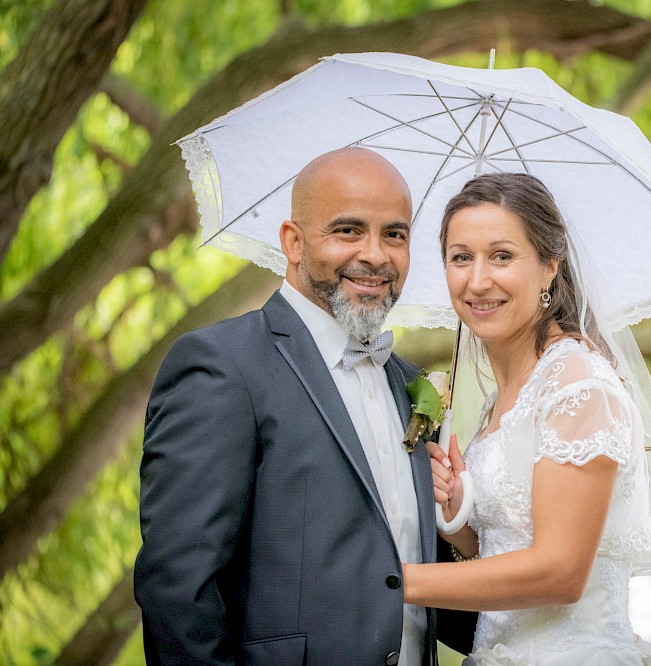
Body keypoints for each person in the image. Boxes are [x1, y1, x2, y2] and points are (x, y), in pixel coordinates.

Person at [134, 147, 476, 666]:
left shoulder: (409, 384)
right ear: (292, 242)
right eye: (347, 231)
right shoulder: (222, 366)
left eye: (395, 234)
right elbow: (178, 589)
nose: (376, 255)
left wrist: (457, 526)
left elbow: (441, 609)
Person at [402, 173, 651, 665]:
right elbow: (506, 546)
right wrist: (457, 518)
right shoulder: (503, 398)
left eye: (501, 256)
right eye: (461, 257)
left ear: (548, 268)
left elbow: (560, 572)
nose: (477, 280)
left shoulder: (577, 384)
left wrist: (395, 582)